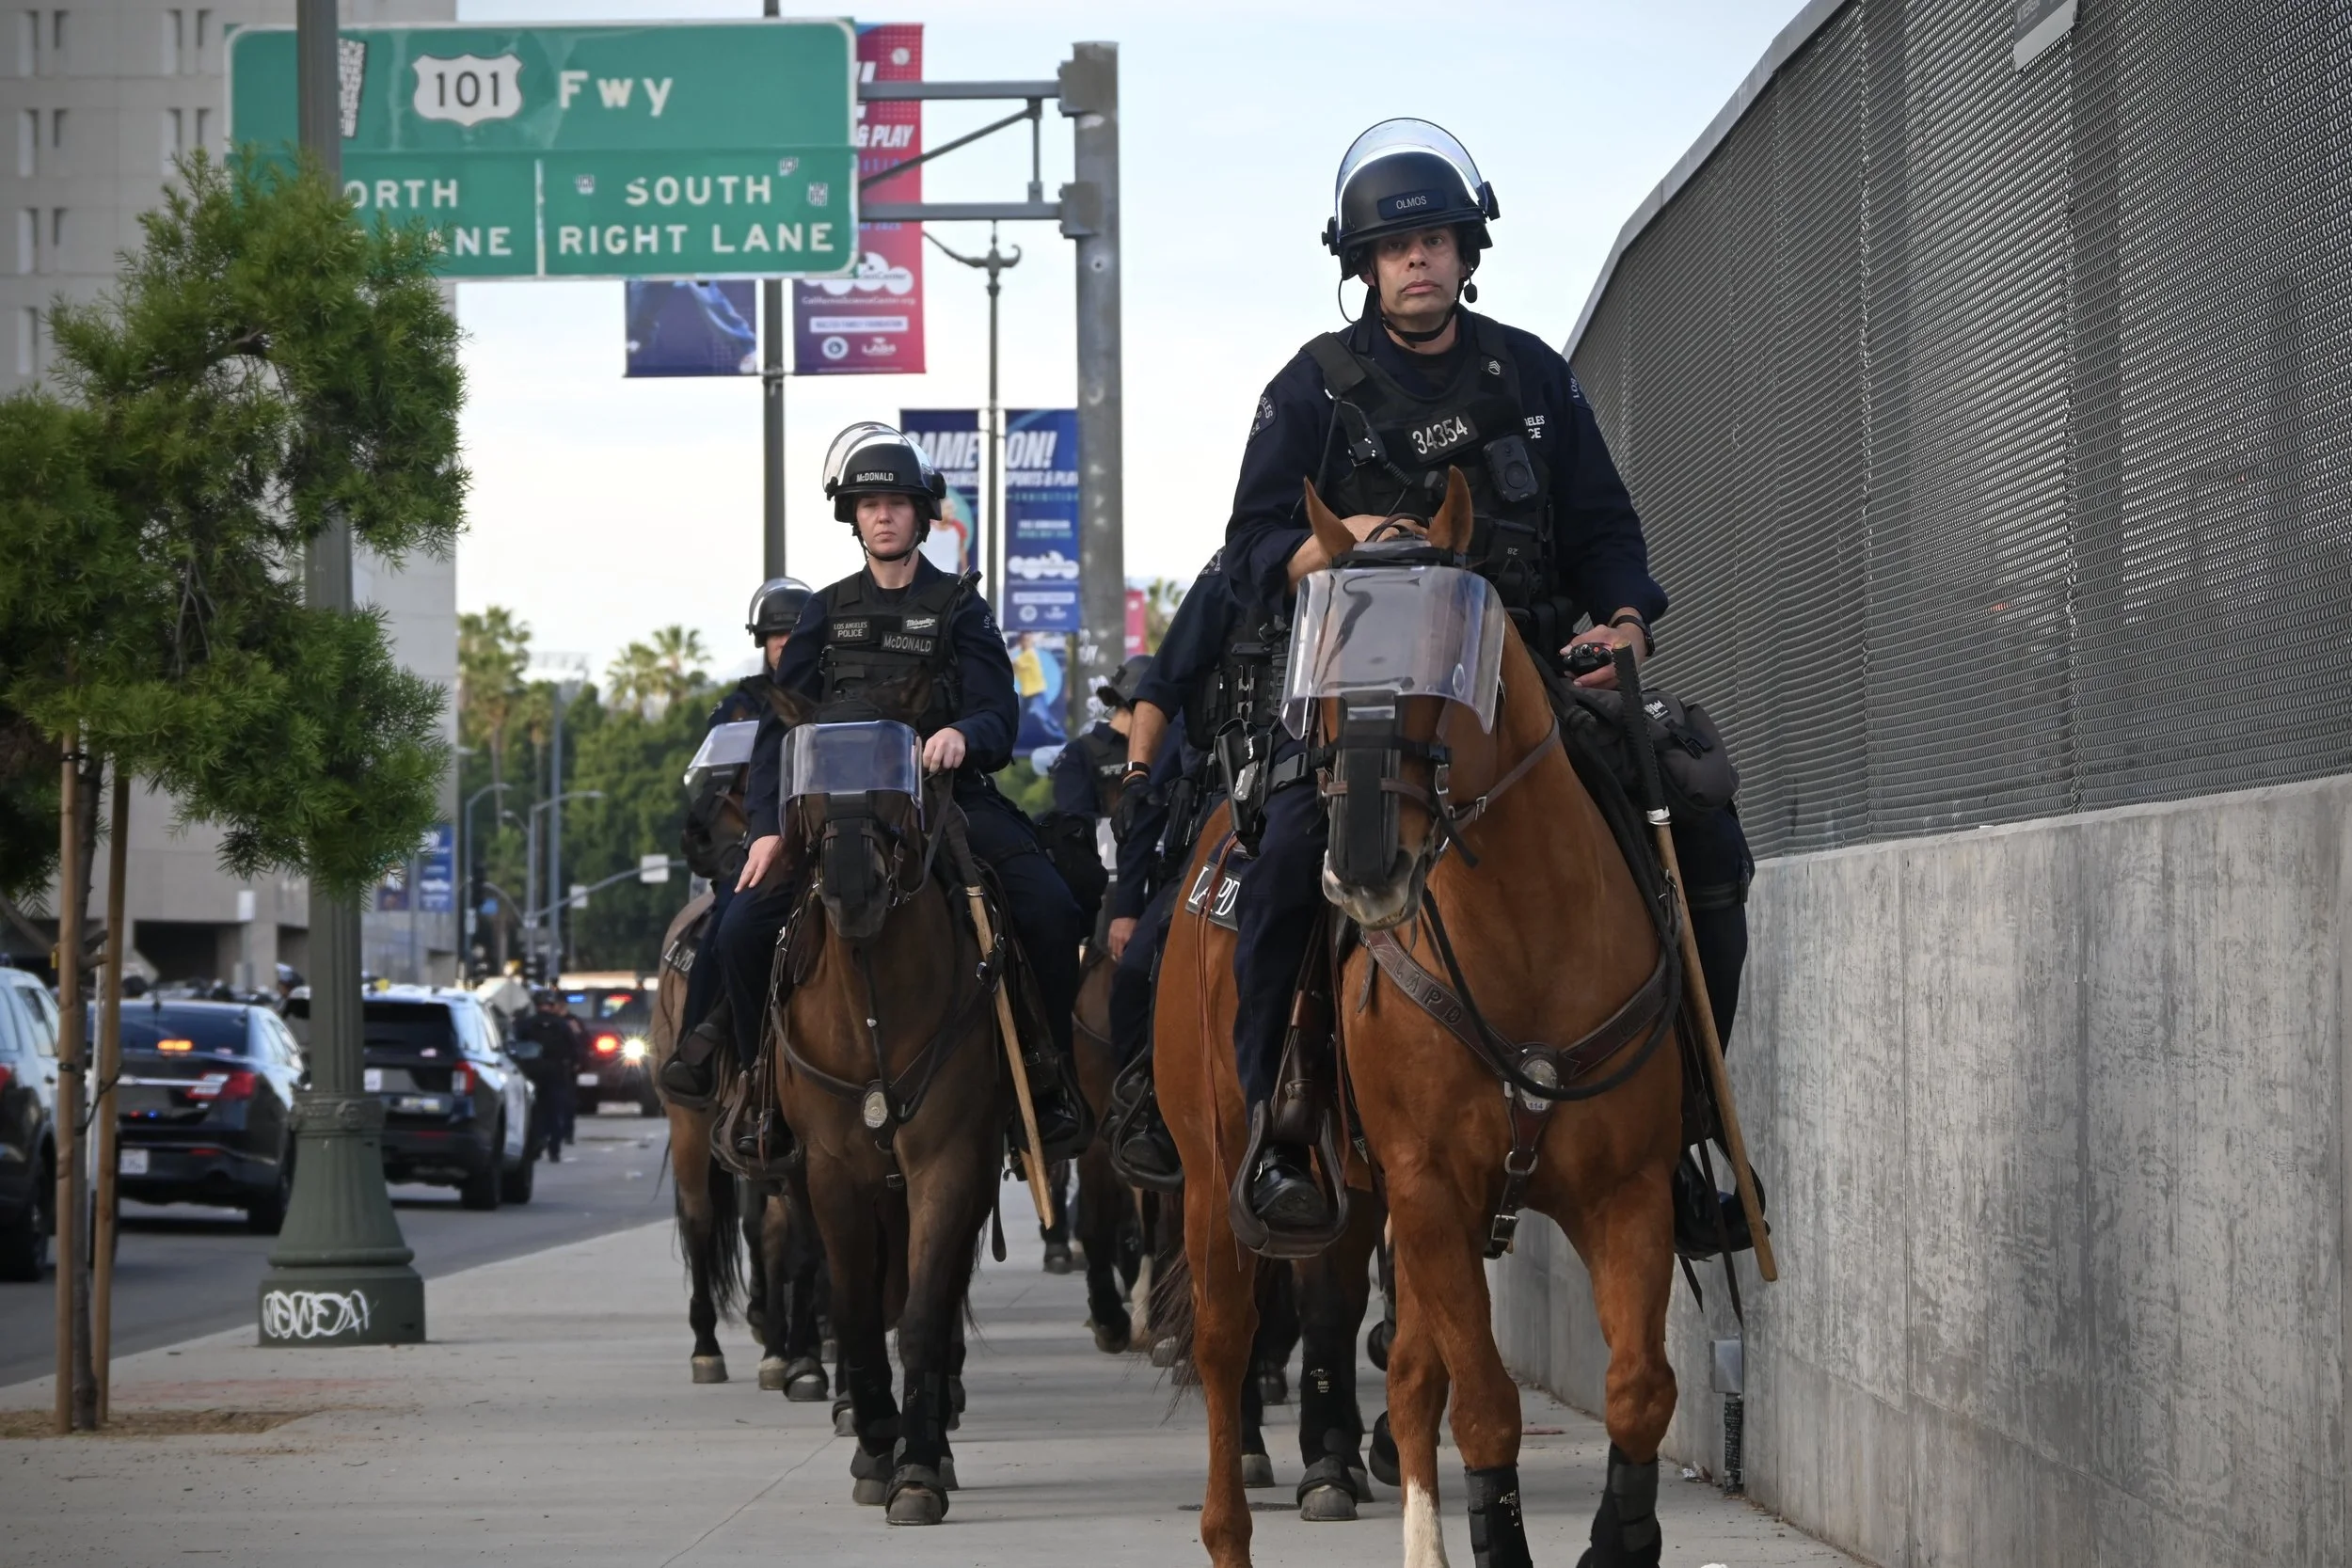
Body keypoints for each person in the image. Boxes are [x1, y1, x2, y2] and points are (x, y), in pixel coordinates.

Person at [1220, 119, 1754, 1240]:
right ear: (1362, 265)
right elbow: (1249, 549)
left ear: (1465, 253)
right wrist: (1336, 538)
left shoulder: (1534, 375)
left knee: (1700, 819)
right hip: (1366, 677)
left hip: (1527, 670)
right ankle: (1284, 1122)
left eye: (1435, 240)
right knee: (1276, 864)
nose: (1416, 260)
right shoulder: (1310, 389)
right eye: (1394, 246)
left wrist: (1620, 617)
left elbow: (1606, 527)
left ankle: (1687, 1115)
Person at [694, 422, 1089, 1158]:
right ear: (853, 518)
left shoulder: (961, 607)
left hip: (943, 803)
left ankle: (1046, 1076)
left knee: (1050, 908)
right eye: (868, 504)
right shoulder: (826, 611)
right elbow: (781, 730)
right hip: (829, 810)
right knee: (742, 929)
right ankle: (758, 1089)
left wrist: (964, 733)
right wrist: (768, 828)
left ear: (921, 515)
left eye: (897, 503)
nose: (882, 515)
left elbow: (1000, 713)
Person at [1098, 552, 1248, 1183]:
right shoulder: (1227, 578)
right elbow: (1146, 803)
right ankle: (1151, 1109)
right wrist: (1125, 903)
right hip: (1226, 810)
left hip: (1354, 788)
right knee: (1136, 971)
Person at [660, 576, 810, 1103]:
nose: (786, 644)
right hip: (757, 851)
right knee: (728, 924)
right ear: (762, 643)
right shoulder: (739, 707)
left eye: (795, 633)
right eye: (776, 636)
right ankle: (697, 1045)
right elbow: (711, 798)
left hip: (825, 844)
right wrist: (740, 852)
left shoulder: (835, 694)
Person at [515, 988, 580, 1162]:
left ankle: (535, 1146)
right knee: (555, 1112)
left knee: (534, 1113)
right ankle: (554, 1149)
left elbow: (515, 1048)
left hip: (531, 1075)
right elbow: (574, 1050)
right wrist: (573, 1066)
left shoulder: (525, 1024)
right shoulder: (562, 1025)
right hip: (555, 1074)